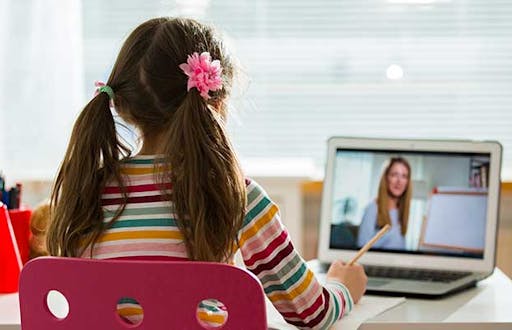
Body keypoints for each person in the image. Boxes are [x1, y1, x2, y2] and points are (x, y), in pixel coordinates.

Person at [46, 17, 367, 329]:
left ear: (123, 103)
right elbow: (311, 313)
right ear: (216, 100)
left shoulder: (86, 192)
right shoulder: (237, 195)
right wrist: (342, 288)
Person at [357, 157, 412, 250]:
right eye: (394, 175)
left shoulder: (401, 211)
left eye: (404, 176)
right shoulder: (372, 209)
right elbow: (361, 247)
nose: (399, 181)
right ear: (386, 178)